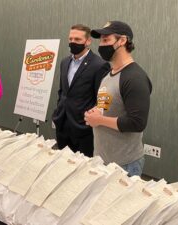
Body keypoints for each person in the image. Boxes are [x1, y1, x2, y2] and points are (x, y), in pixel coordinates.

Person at [84, 21, 152, 176]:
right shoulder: (109, 74)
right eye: (101, 40)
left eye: (106, 40)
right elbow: (106, 105)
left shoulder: (134, 78)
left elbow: (137, 122)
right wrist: (96, 111)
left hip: (125, 165)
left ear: (122, 41)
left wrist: (99, 121)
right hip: (102, 160)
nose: (101, 45)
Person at [52, 24, 109, 157]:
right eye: (70, 39)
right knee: (61, 166)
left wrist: (90, 122)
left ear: (88, 41)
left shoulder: (99, 65)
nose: (73, 42)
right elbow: (63, 91)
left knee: (82, 172)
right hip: (62, 124)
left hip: (83, 129)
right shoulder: (64, 62)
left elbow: (101, 100)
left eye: (77, 39)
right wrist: (58, 113)